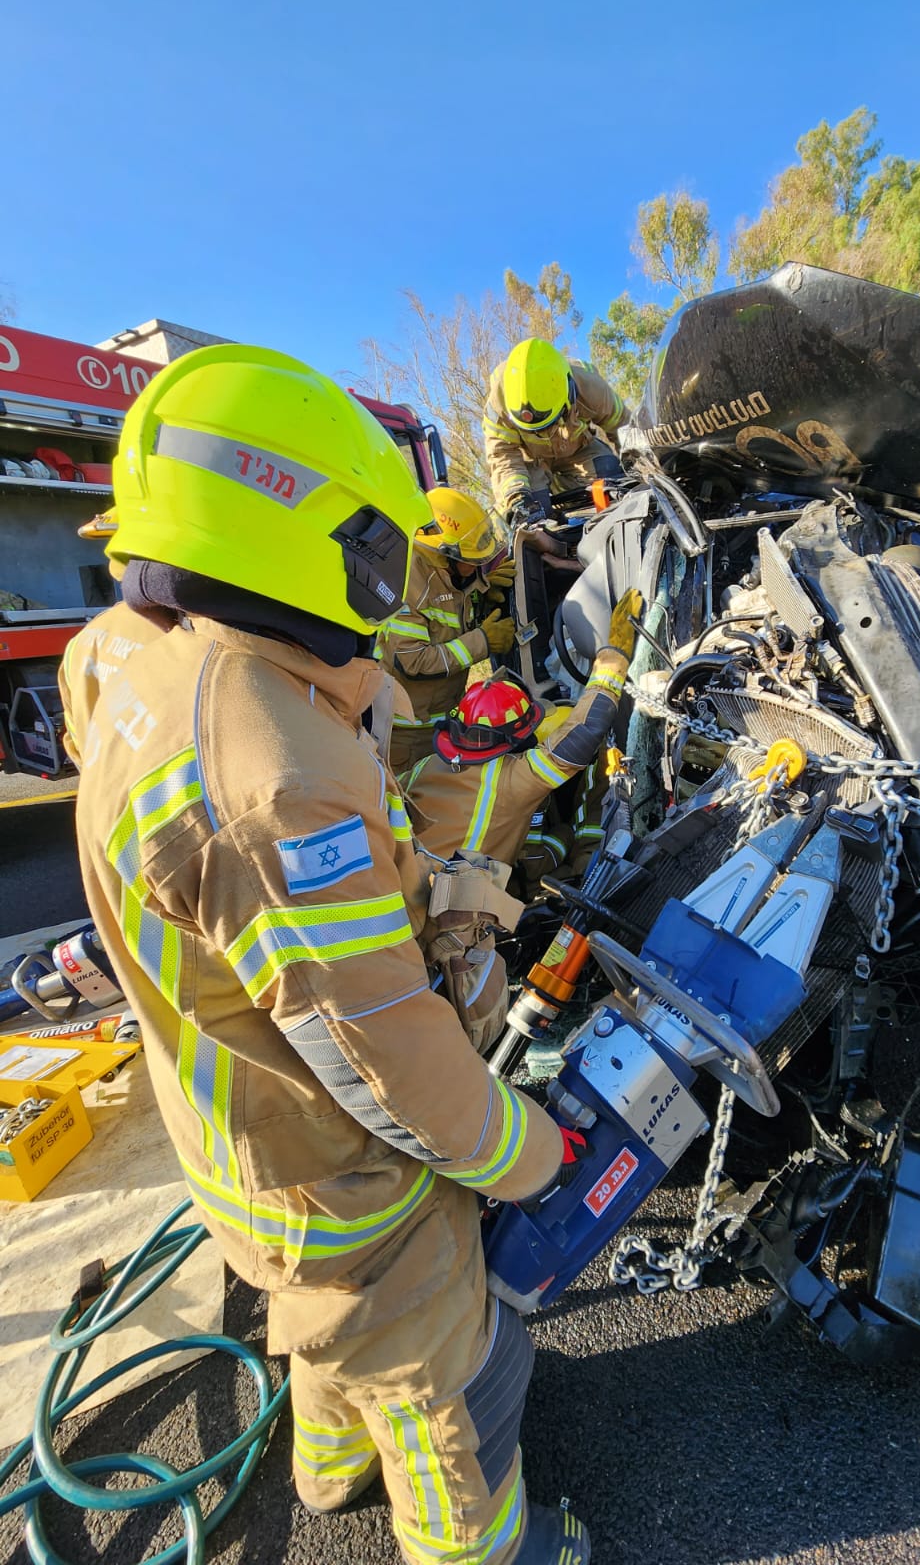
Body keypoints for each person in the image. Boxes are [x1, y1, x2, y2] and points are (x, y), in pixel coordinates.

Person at [59, 344, 591, 1565]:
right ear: (301, 538)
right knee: (439, 1382)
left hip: (247, 1142)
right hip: (340, 1177)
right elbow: (382, 1058)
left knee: (322, 1335)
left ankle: (326, 1469)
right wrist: (524, 1151)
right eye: (371, 544)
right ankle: (481, 1549)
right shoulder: (271, 774)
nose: (389, 577)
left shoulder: (159, 665)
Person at [403, 589, 642, 871]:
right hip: (456, 906)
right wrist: (613, 659)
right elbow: (583, 734)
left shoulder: (425, 766)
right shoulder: (508, 781)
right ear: (516, 740)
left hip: (407, 886)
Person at [375, 486, 519, 777]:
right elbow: (413, 661)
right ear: (441, 554)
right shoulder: (406, 582)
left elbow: (448, 623)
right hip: (406, 731)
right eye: (471, 560)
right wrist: (484, 641)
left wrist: (483, 594)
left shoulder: (451, 574)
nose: (476, 566)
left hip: (445, 719)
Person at [482, 339, 629, 522]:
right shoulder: (499, 402)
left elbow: (623, 427)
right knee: (532, 515)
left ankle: (564, 488)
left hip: (578, 450)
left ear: (569, 395)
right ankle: (543, 495)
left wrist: (644, 466)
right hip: (531, 462)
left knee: (611, 479)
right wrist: (517, 496)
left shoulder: (590, 386)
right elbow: (501, 455)